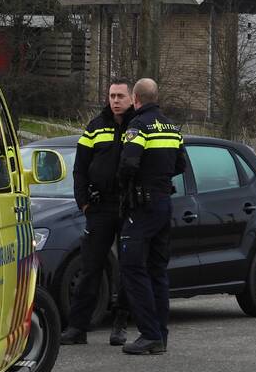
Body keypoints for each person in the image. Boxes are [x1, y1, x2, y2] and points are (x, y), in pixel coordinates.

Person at [60, 78, 136, 346]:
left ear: (131, 98)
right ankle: (77, 328)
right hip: (100, 206)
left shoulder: (137, 126)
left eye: (120, 96)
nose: (115, 100)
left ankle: (120, 326)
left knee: (127, 268)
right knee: (90, 267)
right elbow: (80, 168)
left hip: (128, 206)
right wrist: (84, 202)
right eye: (112, 95)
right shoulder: (95, 127)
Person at [117, 78, 187, 355]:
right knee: (158, 270)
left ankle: (149, 334)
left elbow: (127, 164)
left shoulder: (138, 126)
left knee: (133, 269)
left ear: (136, 98)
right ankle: (161, 334)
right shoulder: (171, 127)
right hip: (163, 204)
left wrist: (126, 189)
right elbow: (181, 164)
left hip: (141, 206)